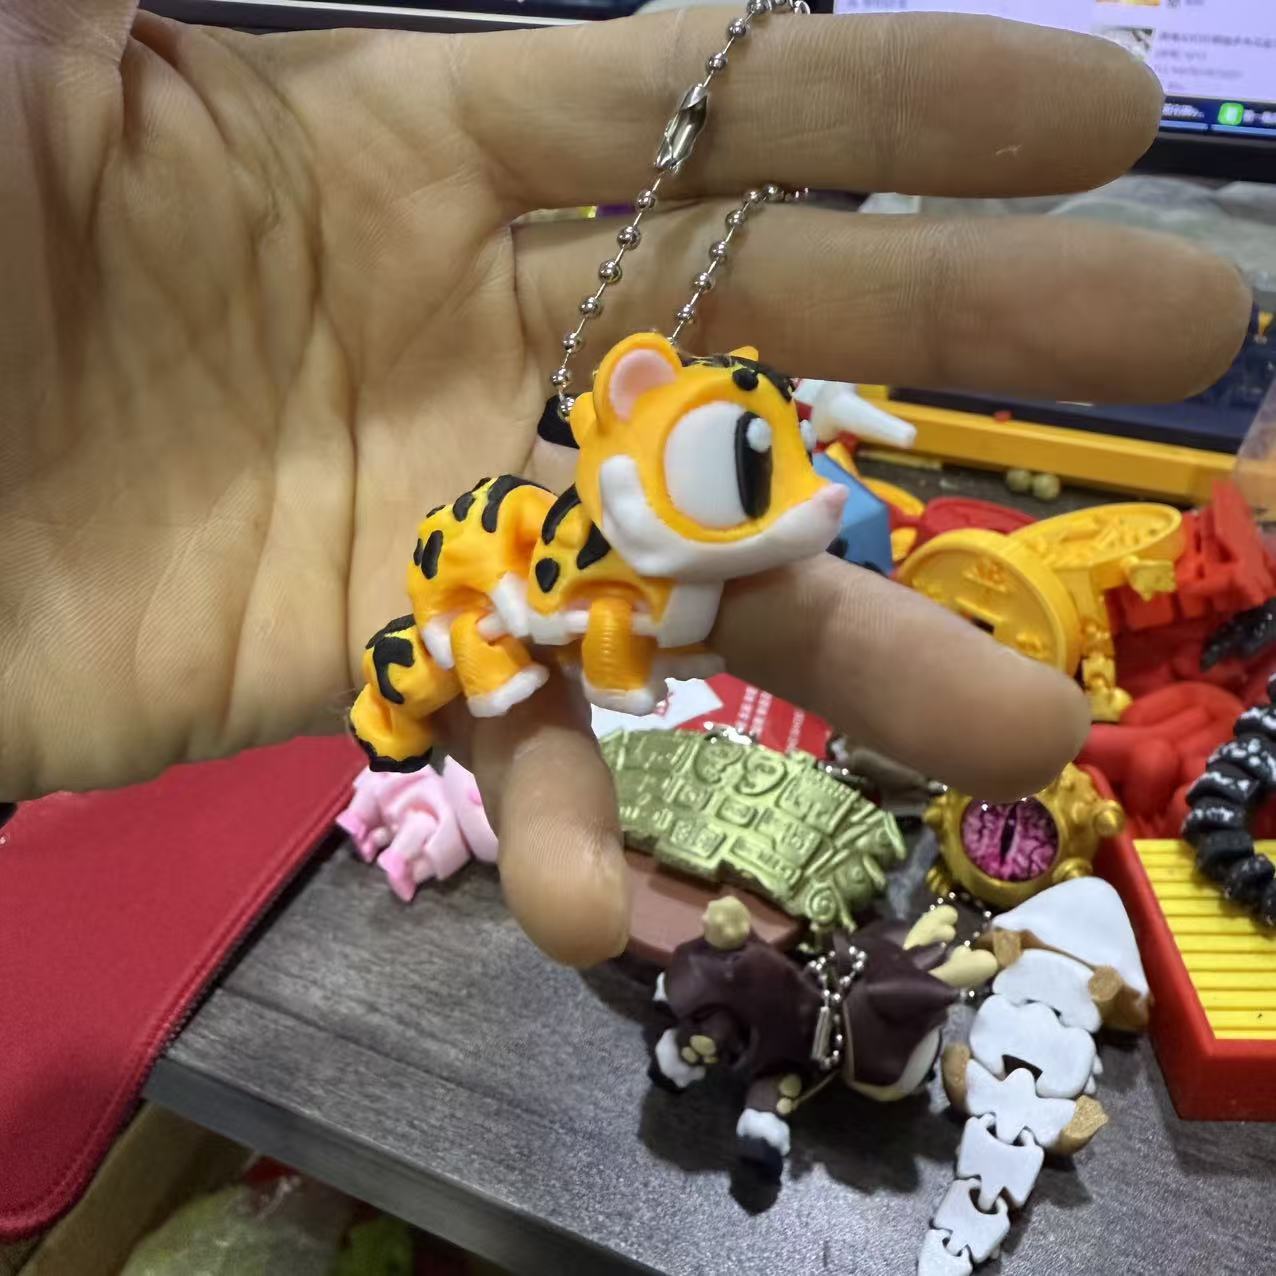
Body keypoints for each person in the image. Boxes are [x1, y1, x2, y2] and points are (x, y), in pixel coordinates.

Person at [0, 2, 1251, 964]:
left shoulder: (662, 546)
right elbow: (603, 638)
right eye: (749, 469)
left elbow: (643, 627)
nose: (795, 501)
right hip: (484, 589)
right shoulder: (600, 550)